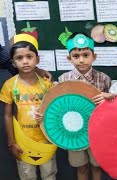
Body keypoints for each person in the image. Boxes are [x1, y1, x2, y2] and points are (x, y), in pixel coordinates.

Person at [58, 33, 115, 180]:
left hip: (98, 132)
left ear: (94, 56)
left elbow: (111, 109)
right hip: (74, 132)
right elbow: (59, 105)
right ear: (69, 58)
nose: (81, 60)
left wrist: (109, 99)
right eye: (76, 56)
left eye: (85, 55)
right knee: (81, 167)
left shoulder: (104, 79)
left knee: (97, 167)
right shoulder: (63, 80)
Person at [0, 33, 57, 180]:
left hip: (47, 139)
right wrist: (11, 142)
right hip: (23, 141)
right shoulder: (9, 85)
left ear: (37, 59)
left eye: (29, 57)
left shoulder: (46, 83)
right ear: (13, 62)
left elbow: (55, 108)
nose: (25, 62)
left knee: (49, 174)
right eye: (19, 58)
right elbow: (7, 115)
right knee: (27, 176)